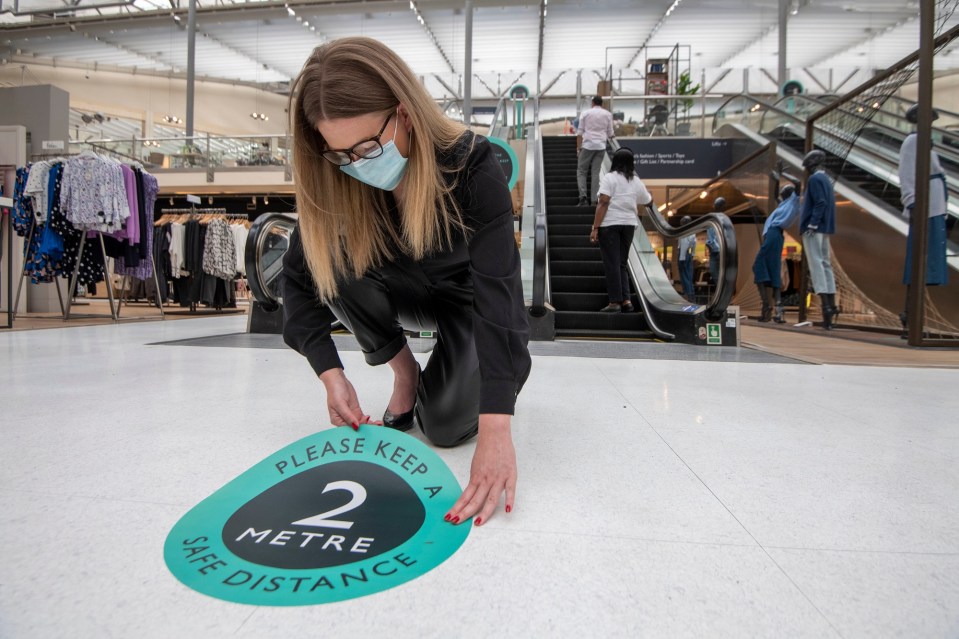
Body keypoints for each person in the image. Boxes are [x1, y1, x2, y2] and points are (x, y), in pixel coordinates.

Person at [281, 37, 532, 527]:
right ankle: (405, 372)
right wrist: (330, 373)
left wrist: (497, 427)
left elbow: (501, 294)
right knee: (325, 254)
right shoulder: (342, 179)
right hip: (395, 296)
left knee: (444, 426)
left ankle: (452, 379)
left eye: (368, 146)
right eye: (341, 155)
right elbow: (298, 277)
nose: (358, 164)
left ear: (404, 112)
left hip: (466, 301)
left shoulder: (472, 164)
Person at [898, 103, 950, 337]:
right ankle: (911, 318)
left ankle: (915, 318)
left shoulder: (925, 142)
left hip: (934, 206)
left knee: (927, 263)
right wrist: (911, 201)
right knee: (919, 261)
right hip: (924, 206)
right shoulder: (913, 142)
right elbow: (907, 173)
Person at [588, 148, 652, 312]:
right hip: (629, 225)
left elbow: (603, 202)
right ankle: (626, 301)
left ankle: (614, 302)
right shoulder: (635, 180)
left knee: (612, 264)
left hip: (610, 225)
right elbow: (647, 199)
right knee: (621, 263)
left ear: (615, 161)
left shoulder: (609, 178)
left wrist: (595, 227)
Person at [799, 149, 838, 329]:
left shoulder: (814, 180)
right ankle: (831, 304)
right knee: (825, 264)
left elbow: (819, 202)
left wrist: (812, 224)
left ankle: (825, 306)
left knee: (816, 265)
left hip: (814, 228)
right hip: (826, 228)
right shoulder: (827, 180)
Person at [752, 183, 801, 323]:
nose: (781, 193)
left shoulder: (793, 201)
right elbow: (775, 196)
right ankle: (777, 309)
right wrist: (777, 176)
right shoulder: (784, 204)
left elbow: (798, 185)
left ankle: (766, 306)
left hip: (774, 234)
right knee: (774, 269)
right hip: (775, 236)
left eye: (783, 191)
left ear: (790, 193)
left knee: (758, 266)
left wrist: (787, 176)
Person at [576, 95, 615, 206]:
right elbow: (610, 133)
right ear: (601, 104)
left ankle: (583, 198)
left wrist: (578, 148)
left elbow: (579, 133)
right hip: (601, 147)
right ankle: (594, 200)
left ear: (592, 103)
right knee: (595, 173)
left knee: (582, 171)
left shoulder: (586, 113)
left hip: (588, 145)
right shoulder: (607, 114)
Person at [677, 215, 697, 300]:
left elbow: (684, 244)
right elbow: (694, 243)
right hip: (688, 254)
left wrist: (682, 257)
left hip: (683, 253)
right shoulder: (692, 231)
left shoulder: (685, 231)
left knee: (684, 274)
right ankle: (690, 292)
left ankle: (688, 293)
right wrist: (692, 254)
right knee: (688, 274)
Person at [705, 197, 724, 284]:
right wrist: (709, 244)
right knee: (713, 271)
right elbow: (710, 236)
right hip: (713, 250)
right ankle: (720, 289)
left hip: (720, 250)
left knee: (720, 271)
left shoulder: (723, 219)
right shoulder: (712, 218)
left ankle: (724, 292)